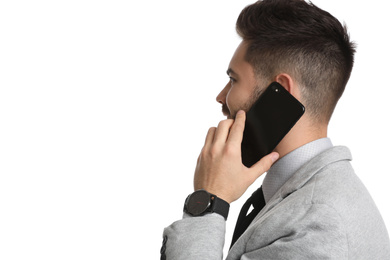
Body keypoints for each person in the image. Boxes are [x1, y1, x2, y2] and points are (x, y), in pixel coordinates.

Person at [161, 0, 390, 259]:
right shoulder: (308, 197)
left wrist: (207, 201)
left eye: (233, 79)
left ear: (280, 91)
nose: (220, 96)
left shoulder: (318, 225)